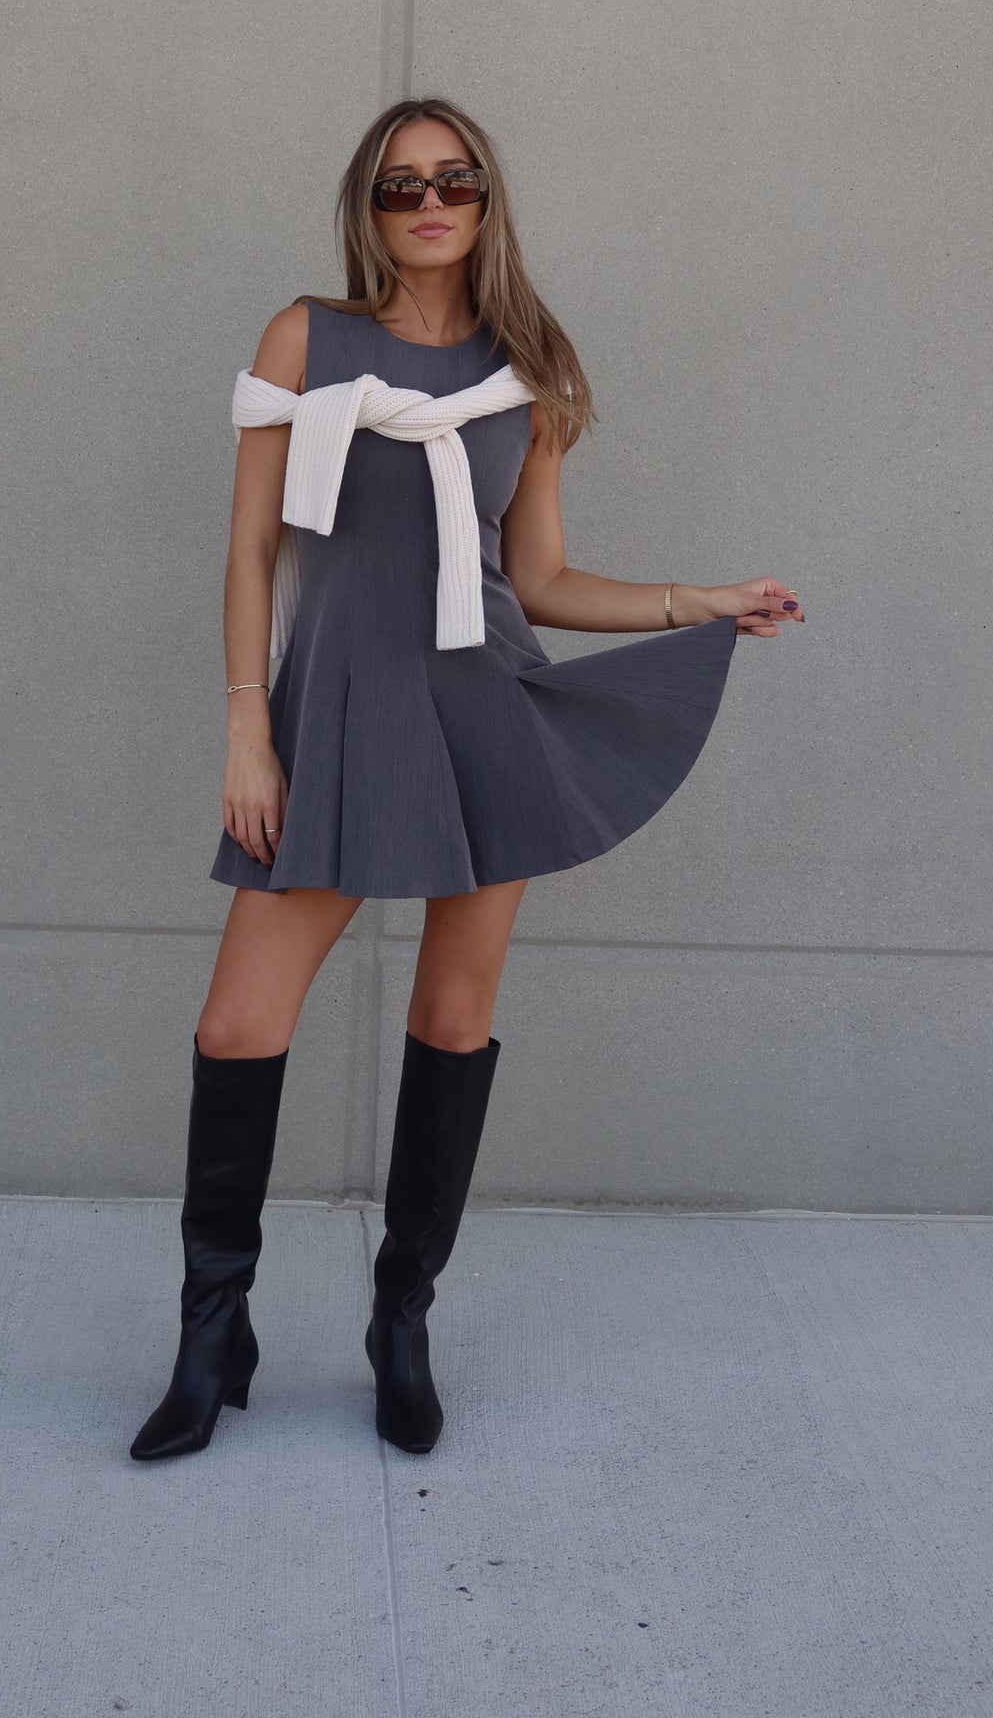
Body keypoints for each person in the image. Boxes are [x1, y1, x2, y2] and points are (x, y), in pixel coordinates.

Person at [130, 95, 803, 1463]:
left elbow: (536, 577)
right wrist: (247, 729)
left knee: (451, 1016)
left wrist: (696, 600)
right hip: (332, 713)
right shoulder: (307, 340)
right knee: (236, 1027)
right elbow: (251, 549)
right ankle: (213, 1332)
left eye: (454, 180)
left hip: (483, 712)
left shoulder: (529, 366)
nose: (429, 203)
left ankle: (402, 1322)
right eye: (401, 186)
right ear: (366, 207)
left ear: (486, 198)